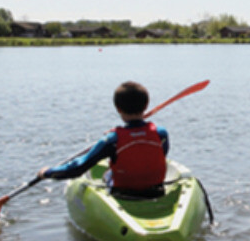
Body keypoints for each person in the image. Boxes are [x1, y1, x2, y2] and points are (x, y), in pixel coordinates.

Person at [38, 81, 169, 196]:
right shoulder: (160, 133)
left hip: (123, 192)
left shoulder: (112, 140)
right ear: (146, 106)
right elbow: (156, 154)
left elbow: (78, 168)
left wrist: (47, 173)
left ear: (118, 109)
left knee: (106, 172)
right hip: (155, 190)